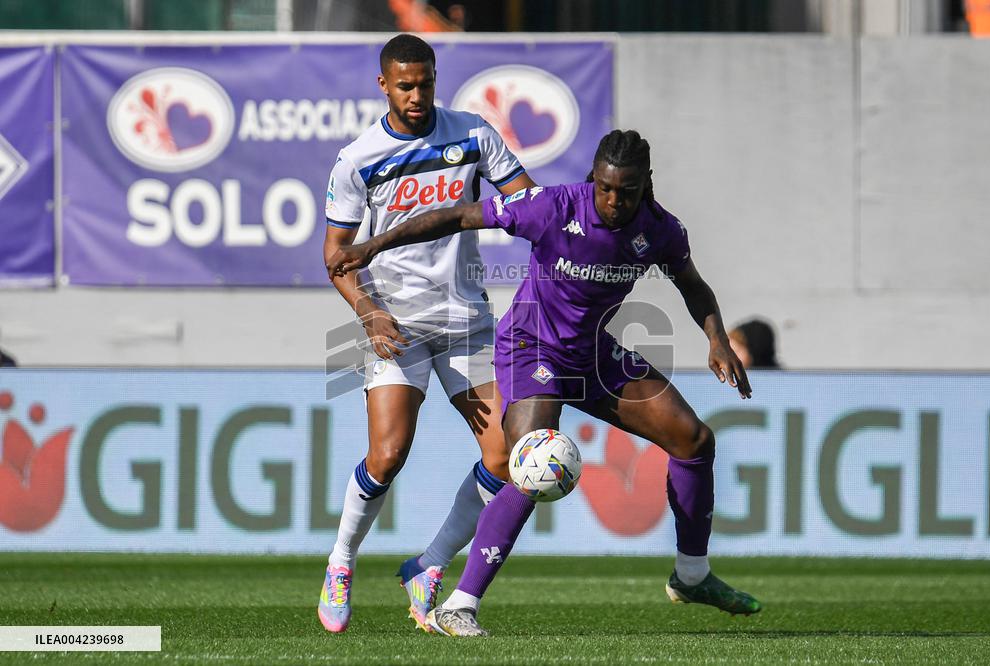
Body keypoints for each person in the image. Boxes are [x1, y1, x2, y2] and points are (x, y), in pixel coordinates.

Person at [328, 129, 762, 636]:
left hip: (594, 354)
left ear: (646, 184)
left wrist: (716, 340)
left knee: (694, 440)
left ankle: (692, 575)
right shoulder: (551, 207)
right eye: (604, 187)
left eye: (625, 191)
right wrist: (375, 244)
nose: (613, 201)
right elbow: (455, 216)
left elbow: (694, 286)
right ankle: (459, 606)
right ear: (592, 178)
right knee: (532, 463)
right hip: (532, 349)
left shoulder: (661, 229)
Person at [318, 34, 536, 633]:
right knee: (388, 455)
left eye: (427, 83)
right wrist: (366, 310)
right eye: (405, 85)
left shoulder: (473, 135)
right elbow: (336, 256)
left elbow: (528, 205)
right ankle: (341, 562)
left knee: (507, 458)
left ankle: (430, 564)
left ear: (437, 78)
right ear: (383, 85)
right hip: (394, 322)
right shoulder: (358, 159)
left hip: (467, 321)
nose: (417, 96)